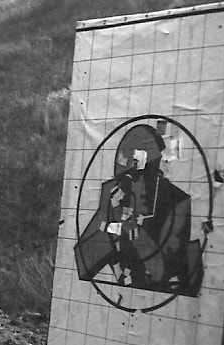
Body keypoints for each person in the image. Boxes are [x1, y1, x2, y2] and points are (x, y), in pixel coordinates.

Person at [74, 124, 204, 298]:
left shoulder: (176, 203)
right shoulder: (114, 192)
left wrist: (133, 230)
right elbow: (84, 261)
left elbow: (161, 273)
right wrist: (110, 217)